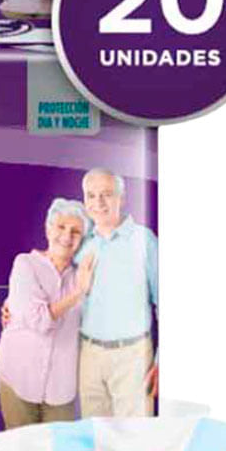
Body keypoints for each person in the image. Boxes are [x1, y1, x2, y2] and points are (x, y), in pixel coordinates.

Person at [0, 199, 94, 428]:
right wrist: (78, 293)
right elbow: (38, 320)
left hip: (61, 386)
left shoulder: (84, 275)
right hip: (18, 374)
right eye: (61, 227)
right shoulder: (25, 264)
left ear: (82, 240)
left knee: (58, 448)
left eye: (76, 231)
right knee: (20, 446)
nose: (67, 236)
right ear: (48, 229)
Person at [74, 168, 159, 417]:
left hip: (133, 357)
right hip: (89, 356)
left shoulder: (144, 241)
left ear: (121, 198)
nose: (98, 203)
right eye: (91, 195)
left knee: (134, 436)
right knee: (94, 434)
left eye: (107, 194)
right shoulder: (82, 243)